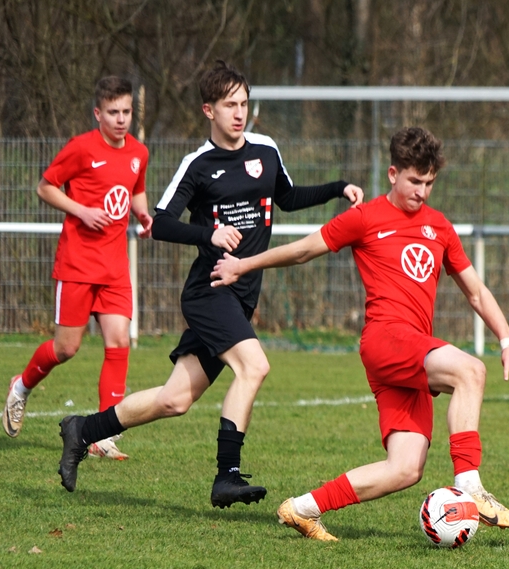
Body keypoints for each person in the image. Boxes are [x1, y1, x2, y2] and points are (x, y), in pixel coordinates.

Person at [56, 60, 363, 507]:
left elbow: (287, 197)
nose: (239, 113)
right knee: (254, 366)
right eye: (229, 105)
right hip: (210, 292)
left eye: (244, 104)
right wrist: (209, 234)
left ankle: (82, 429)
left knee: (174, 399)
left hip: (241, 297)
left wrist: (339, 188)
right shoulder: (198, 165)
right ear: (209, 110)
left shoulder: (266, 150)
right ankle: (227, 475)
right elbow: (161, 222)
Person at [210, 126, 509, 541]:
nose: (422, 192)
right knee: (471, 371)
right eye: (415, 181)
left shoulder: (439, 227)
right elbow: (304, 250)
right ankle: (470, 486)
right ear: (393, 174)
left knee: (406, 468)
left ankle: (303, 508)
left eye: (430, 183)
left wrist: (508, 339)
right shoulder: (366, 217)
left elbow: (476, 291)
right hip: (386, 339)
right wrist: (242, 264)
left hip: (412, 351)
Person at [3, 76, 153, 460]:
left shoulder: (139, 152)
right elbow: (46, 187)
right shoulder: (81, 148)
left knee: (118, 342)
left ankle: (103, 434)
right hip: (78, 264)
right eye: (113, 112)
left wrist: (143, 214)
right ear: (98, 113)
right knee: (66, 348)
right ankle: (21, 386)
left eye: (126, 111)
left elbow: (136, 190)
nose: (121, 119)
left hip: (114, 267)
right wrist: (82, 210)